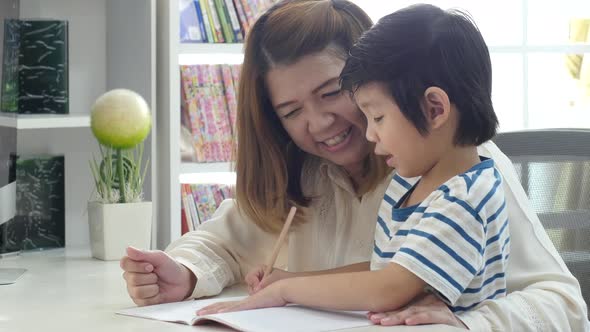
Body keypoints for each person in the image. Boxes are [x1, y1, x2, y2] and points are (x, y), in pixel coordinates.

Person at [120, 1, 589, 330]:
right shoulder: (298, 172)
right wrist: (183, 271)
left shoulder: (464, 175)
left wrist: (467, 322)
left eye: (331, 93)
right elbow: (220, 244)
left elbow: (564, 307)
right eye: (290, 112)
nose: (319, 123)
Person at [198, 2, 510, 315]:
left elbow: (387, 287)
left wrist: (286, 290)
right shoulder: (411, 185)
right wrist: (293, 278)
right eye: (291, 112)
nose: (371, 135)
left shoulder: (463, 198)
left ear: (434, 109)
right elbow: (383, 268)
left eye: (378, 117)